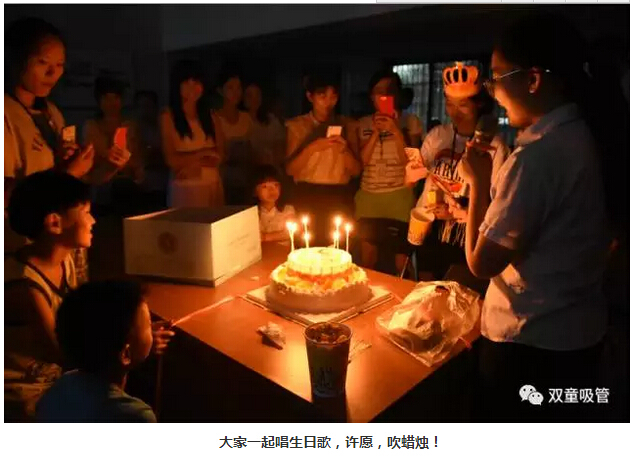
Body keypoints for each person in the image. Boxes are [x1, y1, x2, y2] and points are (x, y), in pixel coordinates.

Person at [460, 15, 610, 421]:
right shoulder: (583, 136)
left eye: (496, 78)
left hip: (530, 342)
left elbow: (481, 262)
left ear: (532, 80)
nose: (492, 92)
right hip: (576, 332)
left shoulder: (537, 158)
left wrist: (478, 182)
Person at [407, 62, 509, 280]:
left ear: (479, 104)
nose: (455, 112)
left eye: (463, 105)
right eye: (449, 104)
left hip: (466, 232)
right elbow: (410, 180)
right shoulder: (437, 136)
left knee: (459, 291)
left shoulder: (494, 146)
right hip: (430, 225)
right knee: (425, 289)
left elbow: (497, 201)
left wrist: (458, 211)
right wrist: (412, 173)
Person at [4, 171, 93, 421]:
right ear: (55, 224)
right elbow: (63, 354)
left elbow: (84, 313)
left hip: (58, 380)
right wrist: (131, 345)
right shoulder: (23, 285)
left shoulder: (68, 258)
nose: (93, 220)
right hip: (26, 394)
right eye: (86, 213)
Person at [37, 280, 172, 422]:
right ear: (125, 355)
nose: (153, 329)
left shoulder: (61, 386)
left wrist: (140, 338)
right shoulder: (135, 416)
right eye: (149, 324)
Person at [355, 70, 423, 274]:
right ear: (371, 96)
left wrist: (395, 130)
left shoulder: (410, 121)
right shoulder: (363, 123)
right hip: (369, 198)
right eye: (379, 91)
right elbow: (361, 162)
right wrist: (376, 132)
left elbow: (413, 163)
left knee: (402, 261)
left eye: (389, 90)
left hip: (399, 197)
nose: (384, 95)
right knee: (368, 259)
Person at [285, 70, 361, 246]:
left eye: (333, 96)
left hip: (339, 196)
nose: (328, 102)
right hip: (307, 194)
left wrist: (345, 150)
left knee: (338, 251)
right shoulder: (298, 126)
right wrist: (313, 147)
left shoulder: (348, 125)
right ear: (310, 96)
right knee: (306, 250)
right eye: (322, 96)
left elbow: (356, 170)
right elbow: (290, 169)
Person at [160, 60, 225, 208]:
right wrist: (203, 154)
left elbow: (220, 154)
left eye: (196, 82)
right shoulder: (168, 116)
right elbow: (171, 160)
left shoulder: (211, 116)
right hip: (185, 190)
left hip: (211, 185)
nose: (192, 88)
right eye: (186, 83)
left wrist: (187, 161)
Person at [82, 76, 143, 215]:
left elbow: (137, 158)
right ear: (99, 100)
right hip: (100, 184)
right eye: (106, 98)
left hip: (127, 187)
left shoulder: (129, 126)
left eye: (115, 98)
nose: (111, 103)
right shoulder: (91, 126)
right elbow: (89, 161)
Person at [215, 67, 254, 205]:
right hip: (223, 181)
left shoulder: (246, 118)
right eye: (230, 88)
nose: (236, 92)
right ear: (221, 90)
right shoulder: (215, 118)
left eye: (238, 88)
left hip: (245, 181)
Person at [134, 90, 168, 209]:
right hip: (143, 186)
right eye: (141, 106)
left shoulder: (163, 127)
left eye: (148, 106)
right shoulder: (135, 129)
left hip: (163, 185)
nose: (145, 110)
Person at [243, 81, 286, 171]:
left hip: (271, 171)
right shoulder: (240, 123)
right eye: (249, 95)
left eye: (257, 95)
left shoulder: (272, 121)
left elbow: (281, 149)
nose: (254, 99)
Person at [254, 165, 296, 243]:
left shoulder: (287, 210)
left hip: (282, 249)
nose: (271, 190)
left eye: (276, 185)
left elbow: (290, 232)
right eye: (265, 186)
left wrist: (265, 237)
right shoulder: (253, 213)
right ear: (255, 190)